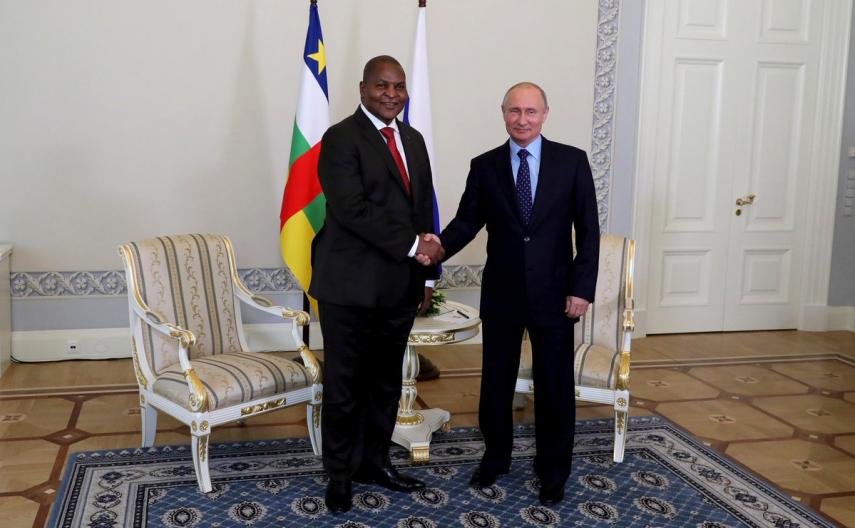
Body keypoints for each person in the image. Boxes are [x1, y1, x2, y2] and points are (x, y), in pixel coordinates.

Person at [423, 82, 599, 506]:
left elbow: (589, 231)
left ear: (545, 114)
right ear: (503, 113)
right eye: (514, 111)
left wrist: (581, 289)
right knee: (496, 382)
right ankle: (495, 457)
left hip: (556, 296)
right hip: (502, 293)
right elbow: (467, 222)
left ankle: (553, 470)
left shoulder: (572, 162)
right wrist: (436, 248)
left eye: (530, 111)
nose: (522, 120)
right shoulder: (484, 166)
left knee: (554, 385)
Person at [309, 55, 444, 514]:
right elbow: (352, 210)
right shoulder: (340, 138)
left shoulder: (413, 139)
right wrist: (415, 246)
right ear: (363, 88)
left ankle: (374, 462)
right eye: (382, 85)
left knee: (385, 383)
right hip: (349, 287)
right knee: (345, 386)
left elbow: (423, 208)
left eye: (399, 86)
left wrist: (427, 272)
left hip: (400, 285)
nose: (392, 94)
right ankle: (339, 474)